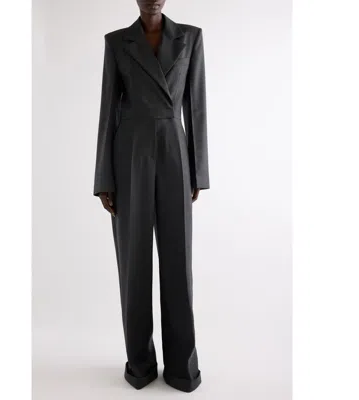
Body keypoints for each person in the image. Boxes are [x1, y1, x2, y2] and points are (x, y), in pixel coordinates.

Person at [93, 0, 210, 393]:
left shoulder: (190, 38)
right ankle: (140, 364)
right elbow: (108, 111)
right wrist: (104, 178)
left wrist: (198, 171)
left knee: (178, 261)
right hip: (130, 155)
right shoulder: (117, 42)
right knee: (134, 264)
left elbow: (196, 108)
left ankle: (182, 368)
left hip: (175, 154)